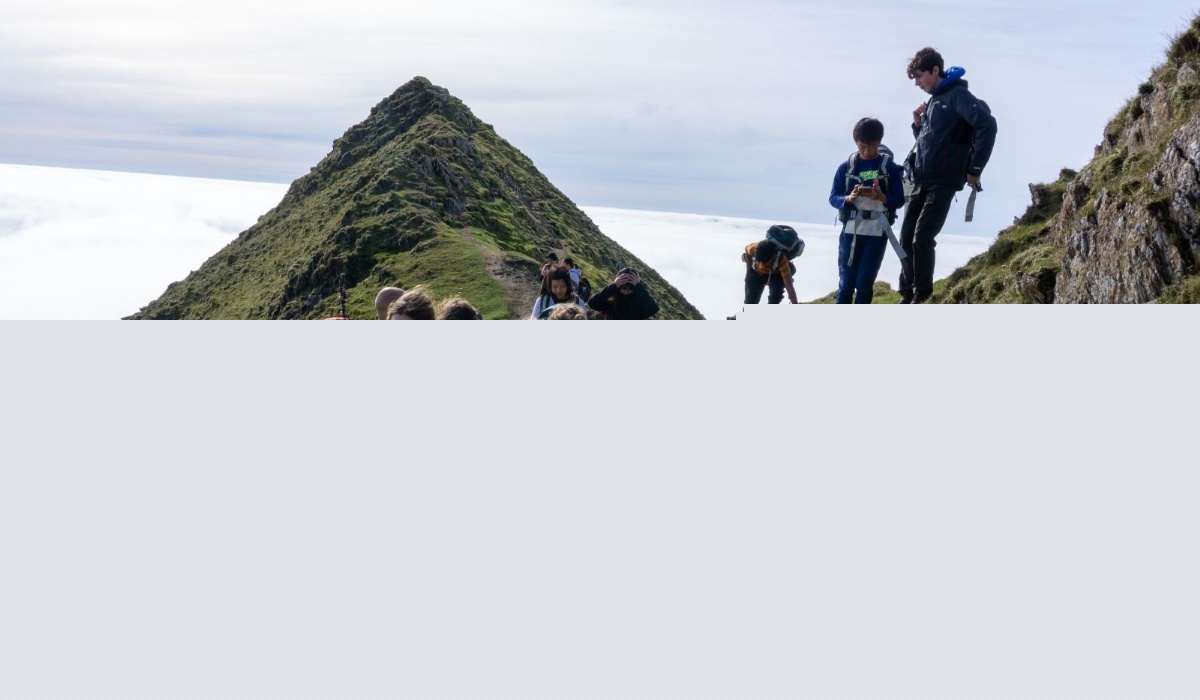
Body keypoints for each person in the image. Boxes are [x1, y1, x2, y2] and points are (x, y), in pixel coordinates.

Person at [899, 47, 997, 303]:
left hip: (944, 180)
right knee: (906, 237)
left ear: (935, 70)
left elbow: (987, 124)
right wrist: (917, 124)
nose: (918, 83)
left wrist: (974, 169)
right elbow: (931, 143)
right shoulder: (934, 100)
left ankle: (922, 295)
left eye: (920, 76)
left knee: (922, 237)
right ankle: (907, 293)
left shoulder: (957, 95)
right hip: (921, 179)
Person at [829, 117, 906, 304]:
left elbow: (899, 200)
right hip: (851, 231)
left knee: (864, 282)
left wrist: (881, 197)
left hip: (877, 231)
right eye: (862, 146)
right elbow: (833, 197)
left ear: (879, 142)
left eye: (871, 146)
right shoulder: (846, 167)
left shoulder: (890, 169)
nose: (867, 151)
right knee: (846, 283)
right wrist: (849, 198)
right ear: (856, 143)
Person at [742, 227, 801, 305]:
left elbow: (789, 285)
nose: (763, 265)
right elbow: (747, 252)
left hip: (776, 274)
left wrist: (795, 304)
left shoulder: (782, 260)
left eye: (766, 263)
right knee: (750, 302)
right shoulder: (754, 248)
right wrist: (749, 271)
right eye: (761, 262)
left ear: (773, 256)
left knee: (775, 299)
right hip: (756, 272)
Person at [587, 267, 660, 319]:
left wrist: (638, 286)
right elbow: (592, 303)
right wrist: (613, 286)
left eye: (630, 289)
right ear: (618, 286)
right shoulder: (610, 300)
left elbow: (653, 309)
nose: (626, 292)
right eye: (624, 288)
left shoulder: (639, 304)